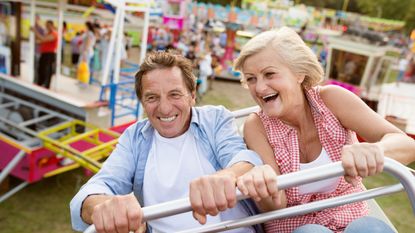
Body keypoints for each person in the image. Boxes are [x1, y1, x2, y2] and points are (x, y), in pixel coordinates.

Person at [233, 27, 415, 233]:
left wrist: (376, 151)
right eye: (251, 79)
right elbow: (277, 204)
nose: (259, 88)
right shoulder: (256, 125)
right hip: (296, 227)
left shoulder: (331, 100)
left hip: (350, 218)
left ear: (299, 73)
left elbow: (408, 145)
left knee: (371, 228)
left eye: (269, 74)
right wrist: (261, 186)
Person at [70, 51, 263, 233]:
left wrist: (228, 175)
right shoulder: (135, 138)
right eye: (152, 97)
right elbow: (96, 188)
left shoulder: (214, 119)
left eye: (174, 94)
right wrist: (101, 206)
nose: (164, 108)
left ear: (192, 95)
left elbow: (243, 159)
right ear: (143, 103)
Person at [33, 20, 58, 89]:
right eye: (46, 26)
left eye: (49, 25)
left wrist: (35, 31)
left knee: (47, 70)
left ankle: (46, 84)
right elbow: (42, 41)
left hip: (49, 54)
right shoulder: (48, 33)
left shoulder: (54, 34)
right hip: (44, 53)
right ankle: (40, 83)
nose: (47, 27)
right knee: (41, 68)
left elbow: (44, 39)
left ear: (52, 26)